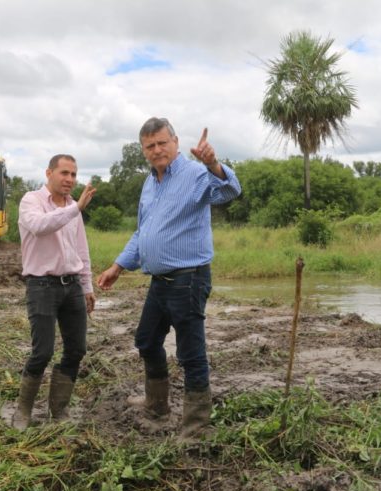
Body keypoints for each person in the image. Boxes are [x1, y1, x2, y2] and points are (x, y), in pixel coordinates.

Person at [97, 117, 241, 439]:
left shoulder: (195, 173)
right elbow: (142, 232)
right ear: (143, 151)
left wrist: (213, 163)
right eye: (150, 146)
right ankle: (157, 406)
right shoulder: (150, 184)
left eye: (163, 142)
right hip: (159, 283)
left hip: (189, 280)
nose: (157, 149)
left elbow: (231, 189)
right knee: (146, 341)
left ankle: (196, 426)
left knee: (191, 354)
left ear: (175, 142)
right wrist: (118, 266)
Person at [12, 154, 97, 430]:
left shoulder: (73, 207)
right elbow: (39, 227)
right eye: (64, 173)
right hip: (42, 286)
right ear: (49, 173)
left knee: (76, 349)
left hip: (71, 286)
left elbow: (81, 250)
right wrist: (76, 209)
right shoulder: (31, 201)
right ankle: (22, 412)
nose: (70, 179)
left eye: (73, 174)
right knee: (43, 351)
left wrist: (87, 286)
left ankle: (58, 409)